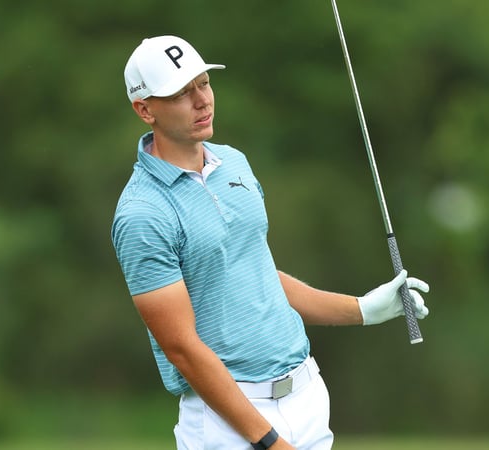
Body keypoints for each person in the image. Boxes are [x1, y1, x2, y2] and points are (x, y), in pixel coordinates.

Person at [111, 35, 431, 450]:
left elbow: (253, 273)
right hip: (230, 423)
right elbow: (182, 349)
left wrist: (361, 310)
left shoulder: (234, 163)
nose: (202, 101)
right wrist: (270, 442)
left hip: (306, 394)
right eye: (180, 94)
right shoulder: (142, 212)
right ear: (145, 109)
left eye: (204, 84)